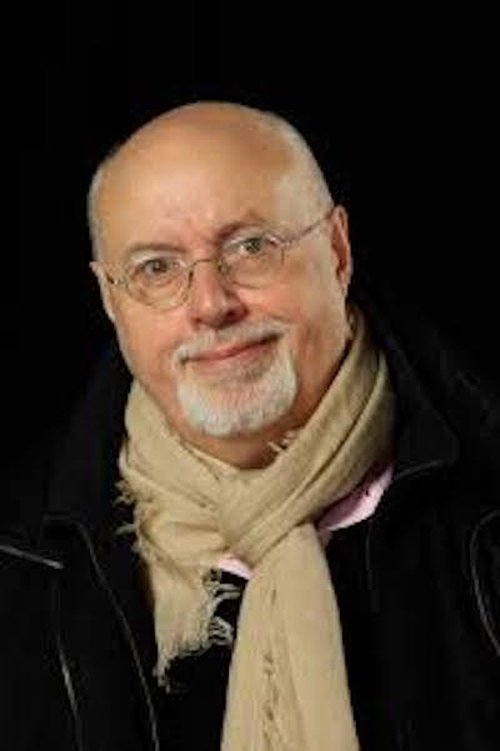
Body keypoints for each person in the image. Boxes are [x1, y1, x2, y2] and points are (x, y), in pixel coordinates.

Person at [1, 101, 498, 751]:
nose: (211, 305)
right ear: (109, 298)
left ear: (338, 251)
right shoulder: (21, 559)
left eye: (251, 247)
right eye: (157, 268)